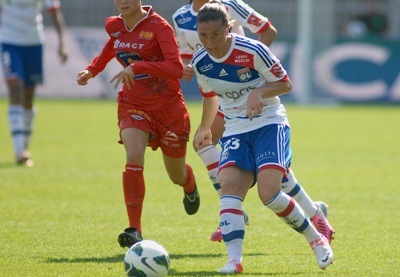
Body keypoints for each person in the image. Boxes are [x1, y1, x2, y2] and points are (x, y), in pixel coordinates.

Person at [172, 0, 334, 243]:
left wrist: (248, 67)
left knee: (253, 159)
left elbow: (267, 31)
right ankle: (236, 211)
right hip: (223, 93)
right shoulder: (181, 16)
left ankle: (240, 211)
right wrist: (186, 67)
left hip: (247, 94)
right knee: (205, 144)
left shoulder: (230, 5)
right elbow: (187, 57)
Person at [77, 0, 200, 248]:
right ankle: (135, 229)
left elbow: (176, 68)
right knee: (133, 156)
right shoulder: (114, 25)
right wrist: (92, 70)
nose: (122, 2)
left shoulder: (159, 26)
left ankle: (189, 184)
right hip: (133, 101)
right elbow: (112, 47)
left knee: (175, 174)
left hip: (168, 108)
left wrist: (138, 66)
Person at [0, 0, 68, 166]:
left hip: (34, 42)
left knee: (29, 98)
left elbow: (55, 12)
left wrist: (63, 43)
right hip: (9, 41)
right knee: (15, 88)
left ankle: (24, 146)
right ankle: (19, 151)